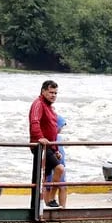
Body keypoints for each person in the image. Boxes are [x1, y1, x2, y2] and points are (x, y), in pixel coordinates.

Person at [28, 79, 65, 208]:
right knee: (59, 169)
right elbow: (35, 122)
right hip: (41, 145)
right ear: (43, 91)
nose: (53, 95)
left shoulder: (50, 107)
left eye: (55, 93)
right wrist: (39, 138)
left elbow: (52, 130)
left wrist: (56, 150)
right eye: (51, 92)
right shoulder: (38, 104)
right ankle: (50, 200)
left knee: (46, 175)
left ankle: (41, 202)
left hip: (49, 146)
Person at [44, 113, 68, 208]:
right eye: (60, 126)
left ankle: (61, 207)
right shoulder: (51, 137)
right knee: (50, 186)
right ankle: (51, 206)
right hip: (53, 164)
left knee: (60, 186)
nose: (61, 129)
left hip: (58, 163)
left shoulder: (58, 137)